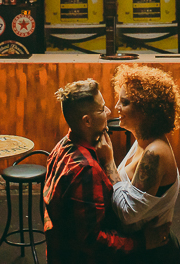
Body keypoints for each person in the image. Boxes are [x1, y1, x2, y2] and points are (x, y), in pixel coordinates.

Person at [43, 78, 170, 264]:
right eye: (102, 109)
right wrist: (141, 242)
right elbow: (93, 242)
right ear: (87, 121)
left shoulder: (62, 146)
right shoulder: (85, 169)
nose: (110, 111)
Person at [96, 65, 180, 264]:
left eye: (125, 102)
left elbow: (128, 213)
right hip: (141, 246)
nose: (117, 106)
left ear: (146, 110)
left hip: (154, 254)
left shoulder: (155, 152)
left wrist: (108, 162)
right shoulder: (141, 141)